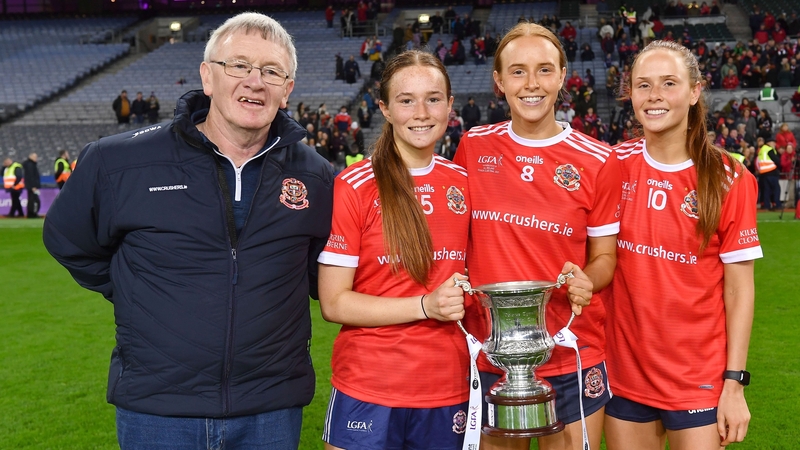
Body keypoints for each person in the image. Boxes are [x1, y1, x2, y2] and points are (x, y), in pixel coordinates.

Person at [42, 12, 334, 449]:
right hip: (158, 408)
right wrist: (134, 286)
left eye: (272, 71)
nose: (255, 81)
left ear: (287, 89)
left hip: (271, 409)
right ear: (207, 77)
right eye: (238, 65)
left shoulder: (319, 177)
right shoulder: (118, 161)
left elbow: (320, 273)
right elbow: (68, 240)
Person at [453, 22, 622, 450]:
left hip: (570, 348)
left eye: (545, 70)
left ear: (563, 76)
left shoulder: (599, 160)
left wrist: (588, 279)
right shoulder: (473, 147)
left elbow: (604, 257)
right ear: (498, 82)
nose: (532, 84)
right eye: (518, 72)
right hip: (492, 349)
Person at [605, 40, 761, 450]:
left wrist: (735, 383)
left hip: (699, 379)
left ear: (694, 91)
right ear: (631, 94)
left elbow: (739, 288)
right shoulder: (611, 167)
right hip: (625, 373)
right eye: (643, 85)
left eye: (668, 83)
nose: (654, 96)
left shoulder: (731, 178)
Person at [317, 49, 472, 450]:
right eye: (406, 100)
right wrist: (425, 306)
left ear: (450, 106)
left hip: (448, 387)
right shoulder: (354, 186)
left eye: (433, 98)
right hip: (369, 387)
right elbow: (334, 303)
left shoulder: (464, 183)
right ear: (384, 108)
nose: (421, 112)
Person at [21, 153, 40, 218]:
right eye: (35, 157)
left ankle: (30, 214)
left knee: (31, 199)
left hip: (30, 186)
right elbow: (31, 176)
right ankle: (33, 214)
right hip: (32, 186)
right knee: (34, 200)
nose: (36, 158)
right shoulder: (30, 165)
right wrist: (33, 186)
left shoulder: (29, 164)